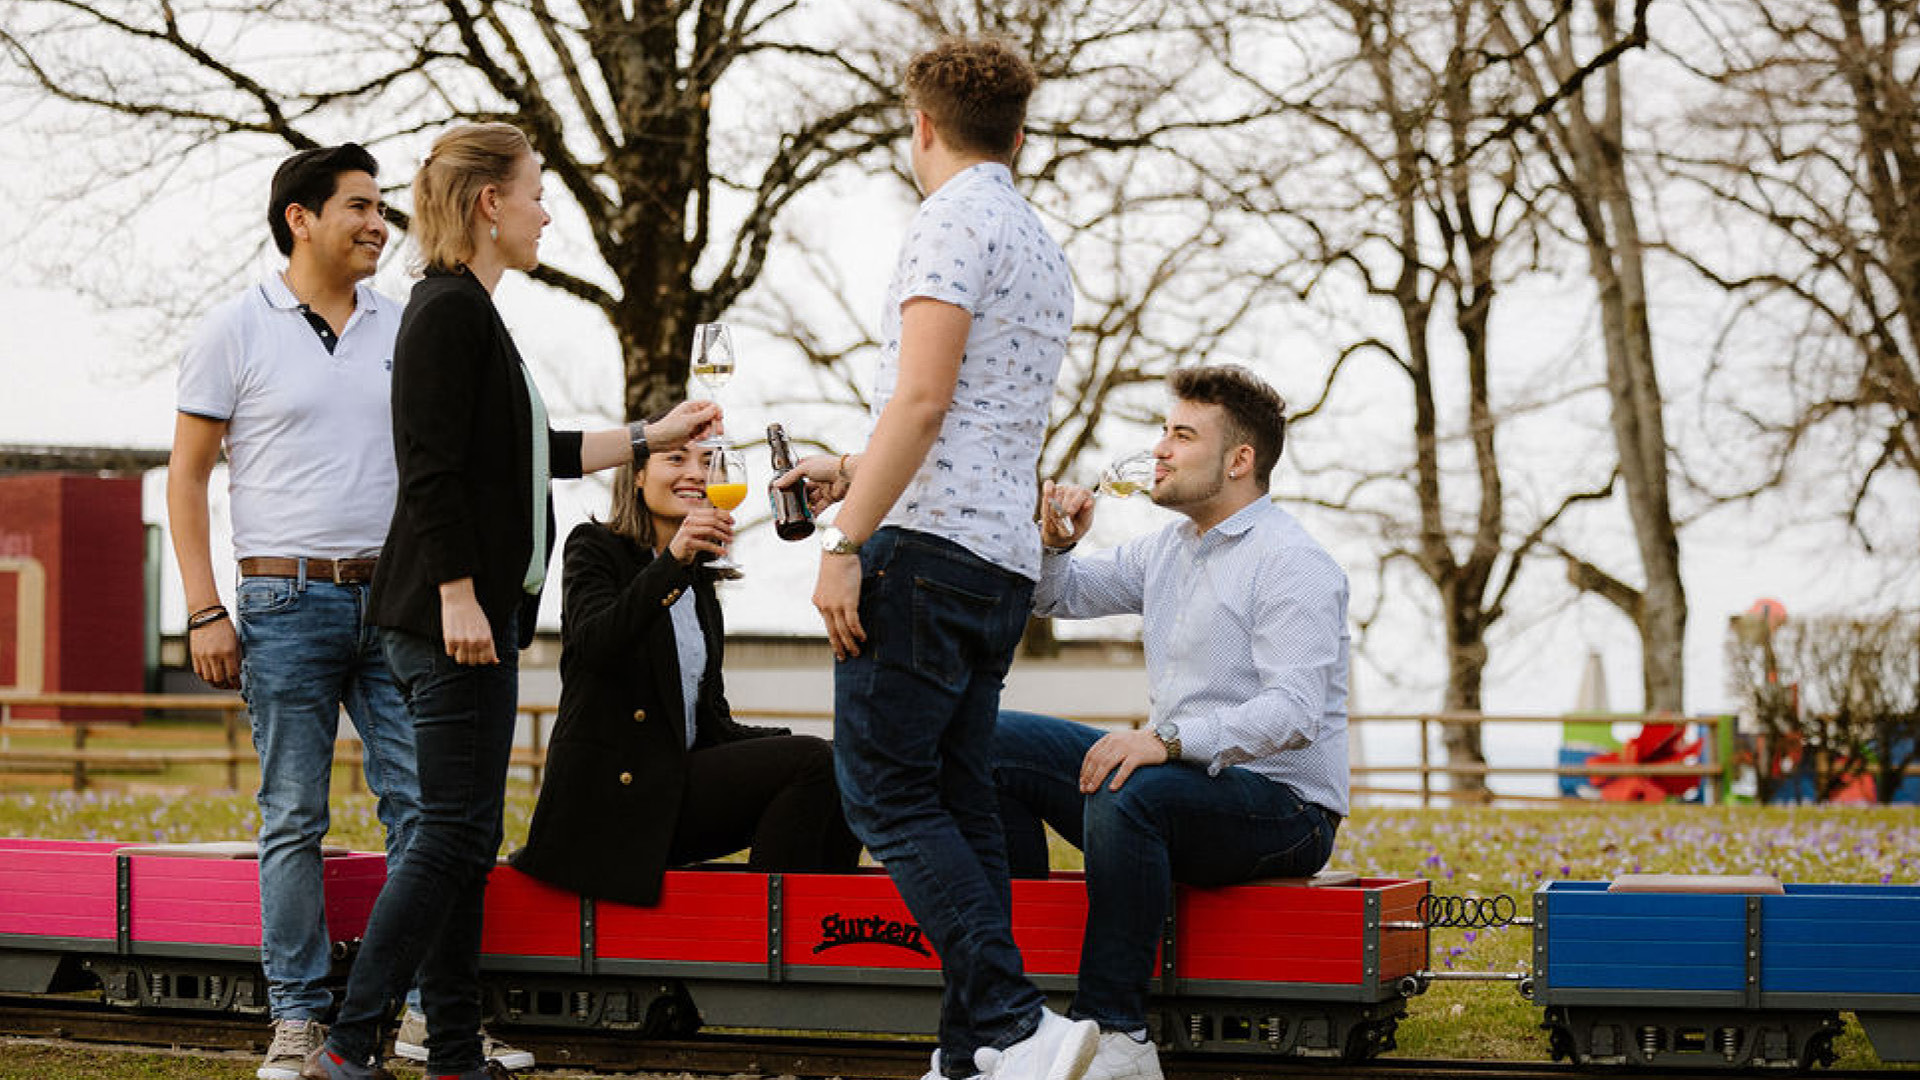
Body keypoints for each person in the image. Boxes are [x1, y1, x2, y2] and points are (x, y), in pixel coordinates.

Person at [304, 122, 718, 1080]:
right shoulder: (446, 311)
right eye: (535, 192)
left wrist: (656, 433)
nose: (544, 211)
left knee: (459, 833)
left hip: (475, 618)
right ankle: (349, 1043)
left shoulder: (476, 315)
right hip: (449, 617)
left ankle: (451, 1050)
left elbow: (546, 455)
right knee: (451, 834)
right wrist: (457, 595)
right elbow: (431, 470)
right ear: (490, 204)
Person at [162, 143, 530, 1080]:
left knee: (426, 811)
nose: (379, 223)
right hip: (284, 597)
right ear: (301, 217)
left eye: (382, 207)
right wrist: (205, 609)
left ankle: (422, 1018)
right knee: (293, 813)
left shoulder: (407, 325)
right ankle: (298, 1017)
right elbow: (188, 478)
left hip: (402, 600)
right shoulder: (234, 330)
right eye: (360, 207)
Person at [775, 36, 1095, 1080]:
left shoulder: (947, 223)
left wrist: (846, 538)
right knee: (959, 800)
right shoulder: (1039, 242)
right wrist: (856, 468)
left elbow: (923, 399)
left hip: (925, 555)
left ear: (921, 126)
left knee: (884, 796)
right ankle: (975, 1055)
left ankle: (1012, 1022)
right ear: (1016, 128)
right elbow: (966, 419)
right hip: (998, 561)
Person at [991, 365, 1350, 1080]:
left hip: (1282, 810)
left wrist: (1165, 741)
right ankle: (1020, 1004)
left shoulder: (1292, 562)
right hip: (1178, 784)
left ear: (1239, 460)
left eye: (1182, 435)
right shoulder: (1168, 548)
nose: (1159, 449)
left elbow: (1296, 712)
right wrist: (1057, 543)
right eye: (1163, 430)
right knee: (986, 743)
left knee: (1131, 788)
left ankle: (1118, 1035)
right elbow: (1054, 598)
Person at [510, 444, 862, 903]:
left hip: (671, 787)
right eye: (676, 459)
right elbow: (595, 647)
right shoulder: (595, 547)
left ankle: (824, 933)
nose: (696, 473)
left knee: (845, 764)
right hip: (615, 799)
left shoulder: (698, 582)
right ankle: (766, 938)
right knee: (813, 762)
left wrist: (789, 740)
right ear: (637, 476)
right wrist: (671, 562)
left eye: (706, 463)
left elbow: (710, 722)